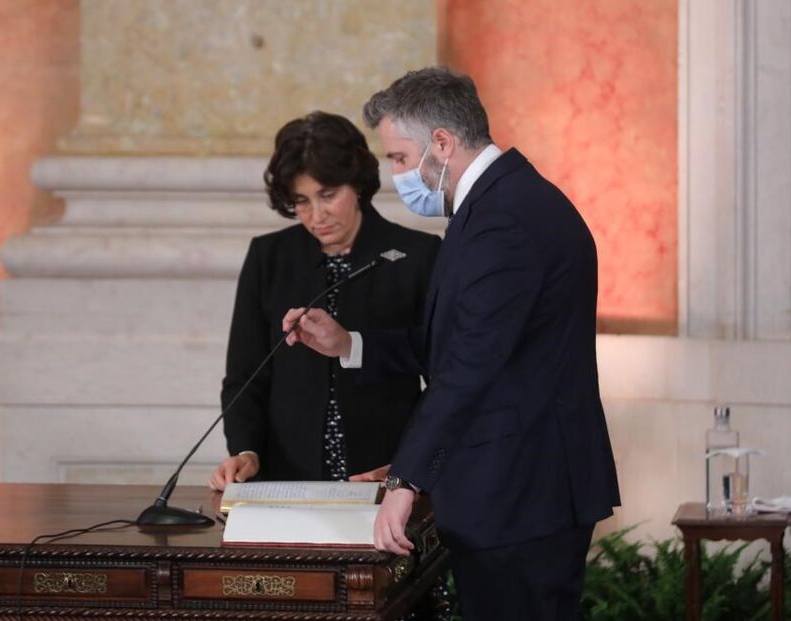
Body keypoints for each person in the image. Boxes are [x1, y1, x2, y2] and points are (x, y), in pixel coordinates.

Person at [283, 67, 621, 621]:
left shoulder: (504, 218)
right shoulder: (493, 205)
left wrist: (405, 479)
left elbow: (469, 367)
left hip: (522, 495)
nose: (394, 175)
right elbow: (455, 345)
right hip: (512, 491)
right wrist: (350, 343)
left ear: (442, 143)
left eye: (397, 157)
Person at [210, 110, 441, 490]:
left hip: (390, 479)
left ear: (359, 186)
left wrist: (413, 461)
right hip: (287, 479)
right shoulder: (268, 257)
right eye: (301, 201)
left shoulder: (418, 255)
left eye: (328, 195)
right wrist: (246, 450)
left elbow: (443, 378)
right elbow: (244, 376)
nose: (316, 216)